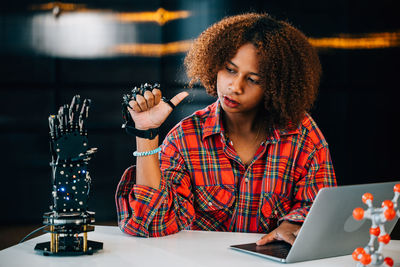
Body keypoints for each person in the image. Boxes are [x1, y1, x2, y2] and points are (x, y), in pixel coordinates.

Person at [115, 12, 336, 246]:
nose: (235, 86)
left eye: (253, 79)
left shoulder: (303, 135)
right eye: (230, 70)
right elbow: (151, 224)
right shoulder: (186, 138)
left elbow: (321, 209)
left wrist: (294, 223)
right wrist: (146, 134)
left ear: (275, 87)